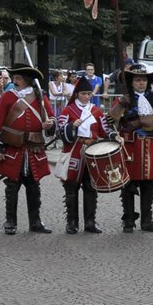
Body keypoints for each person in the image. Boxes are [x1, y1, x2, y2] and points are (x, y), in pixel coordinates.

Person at [0, 64, 54, 234]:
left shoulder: (40, 96)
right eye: (14, 77)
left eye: (18, 78)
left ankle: (36, 222)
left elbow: (51, 118)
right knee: (12, 186)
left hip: (34, 148)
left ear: (26, 80)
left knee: (34, 187)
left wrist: (50, 124)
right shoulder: (7, 97)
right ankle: (10, 221)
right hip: (13, 148)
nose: (14, 80)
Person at [109, 63, 153, 233]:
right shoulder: (124, 99)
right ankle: (128, 220)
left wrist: (139, 121)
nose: (141, 83)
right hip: (130, 148)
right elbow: (111, 121)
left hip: (150, 147)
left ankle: (147, 221)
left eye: (143, 80)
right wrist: (120, 106)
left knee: (149, 186)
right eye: (137, 80)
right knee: (128, 185)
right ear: (132, 82)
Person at [56, 75, 110, 234]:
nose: (86, 96)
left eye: (88, 94)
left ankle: (90, 222)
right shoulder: (68, 110)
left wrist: (114, 136)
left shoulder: (97, 111)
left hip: (92, 152)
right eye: (83, 94)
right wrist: (72, 126)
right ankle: (71, 222)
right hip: (74, 152)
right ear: (77, 94)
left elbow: (105, 131)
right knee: (71, 187)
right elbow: (60, 132)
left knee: (91, 187)